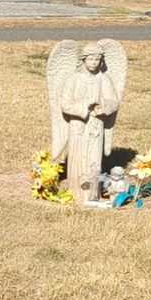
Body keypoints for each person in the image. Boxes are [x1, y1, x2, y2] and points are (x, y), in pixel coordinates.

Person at [57, 44, 121, 205]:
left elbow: (114, 102)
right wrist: (85, 105)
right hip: (78, 124)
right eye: (91, 59)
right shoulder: (74, 79)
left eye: (97, 59)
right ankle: (76, 192)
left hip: (96, 125)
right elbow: (65, 104)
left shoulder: (103, 79)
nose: (94, 63)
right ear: (83, 60)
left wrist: (102, 107)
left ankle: (93, 194)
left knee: (94, 158)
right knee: (78, 157)